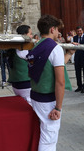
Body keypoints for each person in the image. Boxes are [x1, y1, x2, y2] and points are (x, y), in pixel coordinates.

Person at [27, 14, 75, 151]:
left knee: (44, 133)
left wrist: (69, 53)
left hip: (36, 96)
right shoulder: (55, 48)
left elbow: (49, 67)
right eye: (58, 30)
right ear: (52, 29)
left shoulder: (36, 46)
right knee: (49, 138)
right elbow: (60, 81)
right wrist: (58, 108)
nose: (59, 33)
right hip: (48, 100)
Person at [8, 25, 33, 104]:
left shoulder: (14, 48)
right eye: (30, 34)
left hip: (16, 84)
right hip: (25, 83)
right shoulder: (24, 49)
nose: (32, 36)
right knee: (30, 105)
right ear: (25, 35)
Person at [73, 26, 84, 93]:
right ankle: (79, 86)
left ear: (82, 31)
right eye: (78, 31)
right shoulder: (75, 37)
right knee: (77, 73)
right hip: (77, 57)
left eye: (80, 31)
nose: (79, 32)